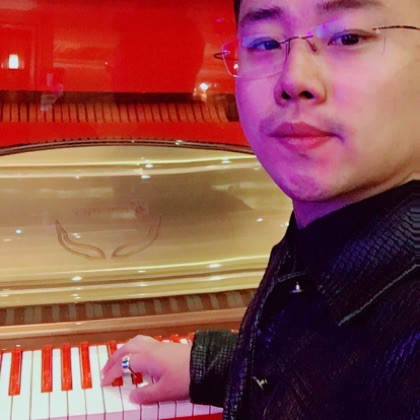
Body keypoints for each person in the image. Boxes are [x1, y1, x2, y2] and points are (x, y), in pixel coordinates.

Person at [102, 0, 420, 418]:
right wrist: (215, 365)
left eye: (348, 37)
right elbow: (334, 363)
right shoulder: (326, 232)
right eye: (265, 43)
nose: (293, 79)